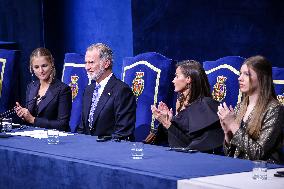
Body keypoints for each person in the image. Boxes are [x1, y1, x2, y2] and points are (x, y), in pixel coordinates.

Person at [217, 55, 284, 164]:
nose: (240, 78)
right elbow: (229, 153)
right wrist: (227, 132)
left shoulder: (275, 109)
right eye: (240, 73)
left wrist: (233, 125)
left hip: (263, 173)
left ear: (261, 78)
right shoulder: (240, 106)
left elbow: (258, 153)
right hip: (240, 169)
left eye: (246, 74)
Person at [151, 60, 224, 153]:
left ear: (188, 79)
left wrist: (167, 123)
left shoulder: (205, 106)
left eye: (177, 76)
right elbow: (180, 139)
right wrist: (169, 121)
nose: (173, 80)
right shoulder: (180, 101)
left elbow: (193, 146)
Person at [77, 43, 136, 140]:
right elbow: (82, 128)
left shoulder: (122, 91)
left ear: (106, 63)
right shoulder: (88, 90)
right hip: (86, 149)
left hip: (110, 150)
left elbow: (123, 133)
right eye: (86, 62)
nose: (87, 67)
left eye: (91, 62)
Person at [15, 47, 72, 131]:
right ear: (32, 69)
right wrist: (23, 115)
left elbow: (62, 125)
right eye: (36, 67)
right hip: (31, 136)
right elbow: (29, 119)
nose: (41, 70)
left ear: (52, 64)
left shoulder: (63, 89)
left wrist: (32, 119)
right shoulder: (31, 87)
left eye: (44, 66)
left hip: (54, 139)